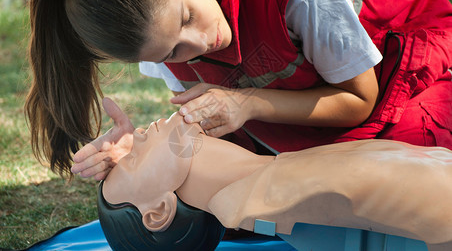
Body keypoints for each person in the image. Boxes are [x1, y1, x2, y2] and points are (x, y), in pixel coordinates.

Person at [25, 0, 452, 179]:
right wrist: (137, 153)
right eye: (171, 53)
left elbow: (359, 99)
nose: (198, 45)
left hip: (403, 71)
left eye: (187, 18)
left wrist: (246, 103)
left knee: (400, 170)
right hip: (296, 106)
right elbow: (218, 118)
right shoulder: (155, 41)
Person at [100, 102, 452, 250]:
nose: (139, 136)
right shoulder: (269, 200)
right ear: (159, 212)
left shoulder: (272, 179)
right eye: (132, 159)